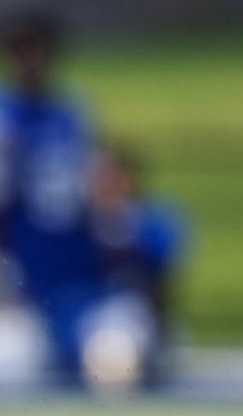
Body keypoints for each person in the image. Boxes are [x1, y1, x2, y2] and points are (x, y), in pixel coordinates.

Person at [0, 12, 97, 382]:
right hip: (18, 269)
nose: (26, 58)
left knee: (106, 357)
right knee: (10, 365)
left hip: (72, 271)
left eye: (34, 47)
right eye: (16, 48)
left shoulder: (70, 110)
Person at [80, 142, 188, 390]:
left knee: (114, 357)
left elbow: (162, 285)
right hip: (71, 314)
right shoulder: (72, 222)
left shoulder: (151, 221)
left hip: (125, 319)